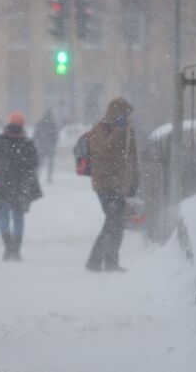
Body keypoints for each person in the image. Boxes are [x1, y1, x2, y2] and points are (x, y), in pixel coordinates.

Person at [85, 98, 139, 272]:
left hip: (121, 184)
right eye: (124, 114)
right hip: (105, 184)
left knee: (117, 223)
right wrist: (119, 131)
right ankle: (95, 261)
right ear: (116, 113)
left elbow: (132, 158)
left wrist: (134, 182)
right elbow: (105, 152)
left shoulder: (126, 131)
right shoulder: (100, 130)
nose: (127, 118)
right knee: (112, 221)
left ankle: (111, 261)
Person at [0, 111, 42, 261]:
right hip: (20, 185)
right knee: (18, 216)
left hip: (1, 183)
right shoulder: (27, 143)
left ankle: (8, 247)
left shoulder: (0, 140)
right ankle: (16, 250)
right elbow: (35, 163)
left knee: (2, 215)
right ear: (22, 124)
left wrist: (4, 160)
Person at [33, 109, 59, 184]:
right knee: (50, 163)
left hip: (41, 146)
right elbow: (55, 136)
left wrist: (36, 143)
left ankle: (37, 176)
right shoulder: (52, 124)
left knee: (40, 163)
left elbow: (35, 135)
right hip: (50, 147)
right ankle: (49, 177)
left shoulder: (40, 123)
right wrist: (53, 143)